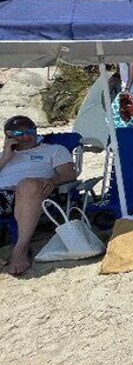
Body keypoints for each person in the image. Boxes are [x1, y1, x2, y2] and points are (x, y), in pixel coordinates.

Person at [0, 116, 78, 275]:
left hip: (38, 192)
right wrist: (6, 157)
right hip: (3, 195)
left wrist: (51, 181)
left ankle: (20, 249)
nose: (26, 136)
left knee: (27, 185)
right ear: (8, 136)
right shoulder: (3, 156)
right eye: (18, 133)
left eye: (30, 131)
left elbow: (69, 174)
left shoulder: (54, 150)